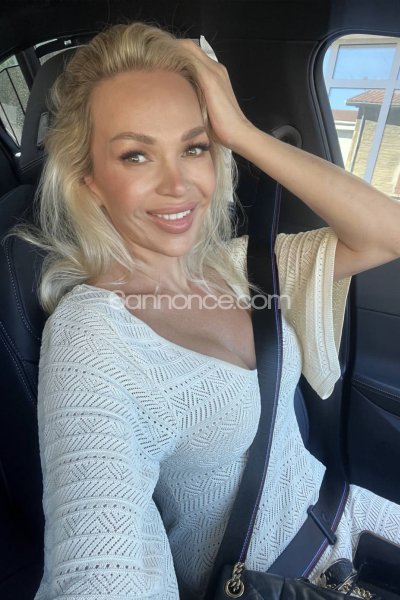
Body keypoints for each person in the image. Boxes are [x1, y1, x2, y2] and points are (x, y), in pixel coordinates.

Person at [28, 21, 400, 600]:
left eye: (194, 147)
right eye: (135, 155)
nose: (178, 184)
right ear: (89, 179)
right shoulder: (91, 339)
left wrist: (243, 134)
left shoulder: (235, 265)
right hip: (274, 582)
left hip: (349, 518)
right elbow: (100, 572)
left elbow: (386, 232)